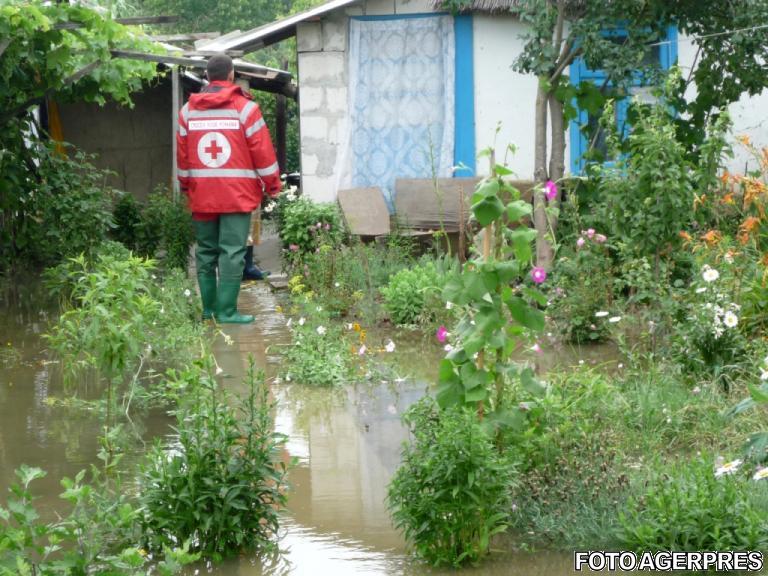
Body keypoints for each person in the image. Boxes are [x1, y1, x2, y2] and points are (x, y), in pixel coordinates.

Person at [177, 53, 281, 323]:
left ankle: (208, 310)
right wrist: (272, 184)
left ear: (207, 77)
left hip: (202, 196)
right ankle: (227, 312)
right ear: (232, 75)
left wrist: (187, 186)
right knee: (232, 252)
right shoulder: (246, 109)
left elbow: (183, 157)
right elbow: (263, 152)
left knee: (205, 251)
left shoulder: (187, 111)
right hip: (237, 195)